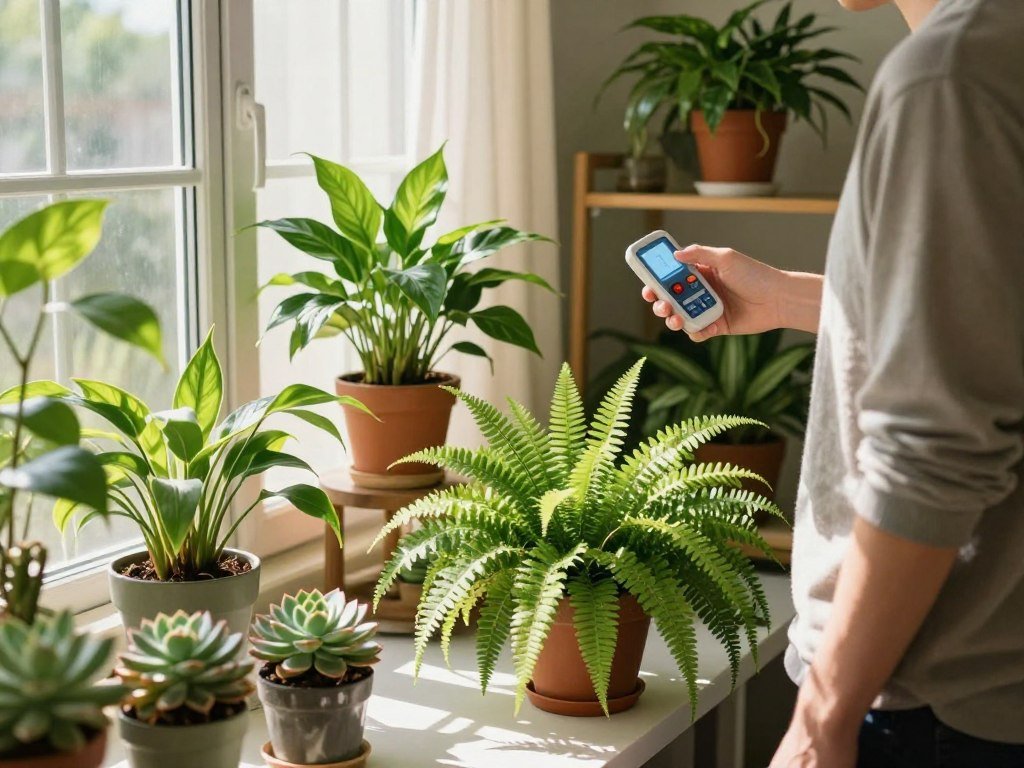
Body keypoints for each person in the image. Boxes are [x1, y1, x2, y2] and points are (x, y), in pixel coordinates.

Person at [642, 0, 1024, 765]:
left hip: (932, 701)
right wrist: (785, 297)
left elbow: (936, 449)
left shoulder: (953, 74)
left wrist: (822, 720)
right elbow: (989, 321)